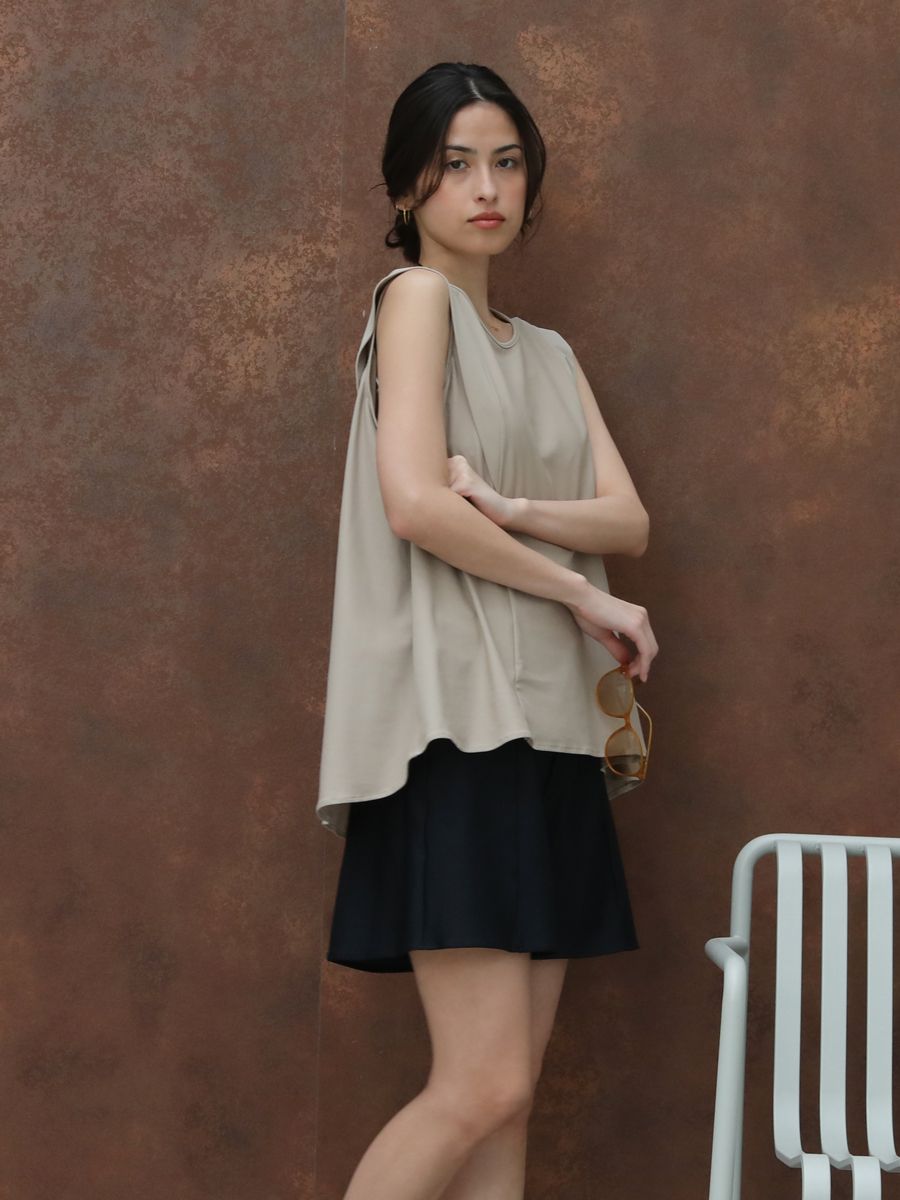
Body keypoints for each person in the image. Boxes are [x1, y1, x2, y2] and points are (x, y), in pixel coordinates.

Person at [317, 61, 659, 1200]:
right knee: (481, 1086)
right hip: (457, 729)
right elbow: (415, 503)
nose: (485, 188)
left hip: (555, 732)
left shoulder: (550, 351)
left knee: (509, 1109)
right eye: (456, 163)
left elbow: (628, 519)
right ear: (406, 186)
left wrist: (513, 509)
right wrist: (584, 594)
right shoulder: (415, 300)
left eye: (507, 163)